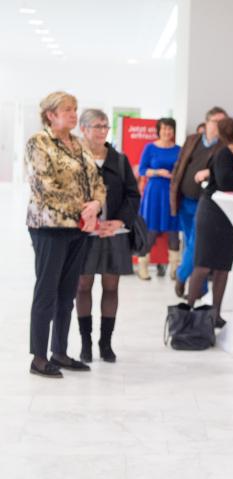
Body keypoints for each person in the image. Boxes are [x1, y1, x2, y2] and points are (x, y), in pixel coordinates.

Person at [25, 91, 106, 378]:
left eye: (75, 109)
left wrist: (96, 204)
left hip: (78, 228)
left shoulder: (80, 144)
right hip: (49, 226)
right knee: (46, 291)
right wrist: (82, 209)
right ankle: (38, 357)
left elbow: (96, 180)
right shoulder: (39, 143)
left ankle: (60, 351)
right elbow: (44, 186)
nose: (74, 114)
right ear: (51, 114)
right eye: (68, 110)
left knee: (67, 292)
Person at [75, 109, 141, 363]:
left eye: (105, 126)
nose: (102, 131)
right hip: (85, 233)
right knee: (83, 285)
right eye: (96, 126)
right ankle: (85, 342)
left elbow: (133, 196)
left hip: (115, 233)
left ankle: (106, 343)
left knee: (111, 286)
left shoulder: (120, 160)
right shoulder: (75, 160)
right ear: (83, 129)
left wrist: (119, 221)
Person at [185, 117, 233, 326]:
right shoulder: (224, 154)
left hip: (231, 216)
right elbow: (226, 183)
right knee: (203, 265)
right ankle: (187, 314)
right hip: (212, 213)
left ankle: (215, 314)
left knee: (223, 268)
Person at [170, 106, 228, 297]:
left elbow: (224, 171)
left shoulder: (225, 145)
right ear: (206, 123)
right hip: (185, 200)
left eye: (223, 122)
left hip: (205, 203)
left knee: (196, 244)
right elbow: (180, 165)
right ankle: (200, 288)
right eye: (216, 122)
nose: (219, 126)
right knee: (189, 243)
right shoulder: (193, 140)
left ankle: (181, 275)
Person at [137, 117, 181, 280]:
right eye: (163, 128)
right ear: (158, 130)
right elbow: (142, 170)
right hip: (154, 193)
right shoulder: (150, 148)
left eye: (169, 128)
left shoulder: (179, 149)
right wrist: (158, 172)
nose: (166, 132)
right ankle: (143, 267)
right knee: (151, 230)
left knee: (173, 231)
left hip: (172, 193)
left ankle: (174, 270)